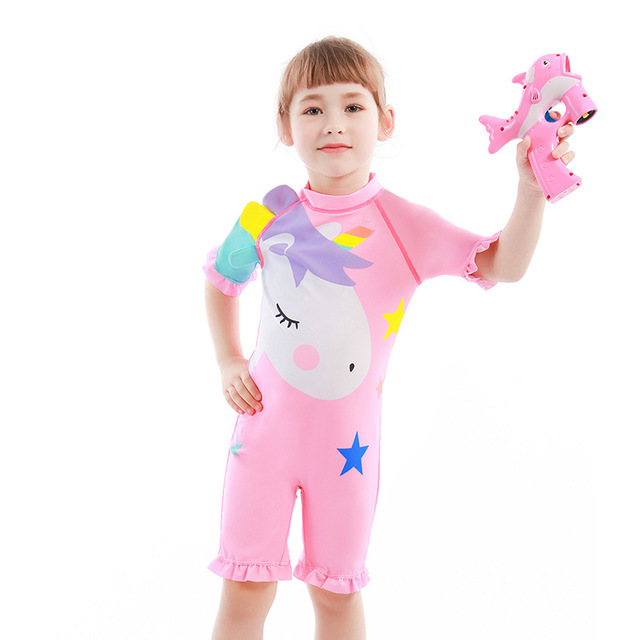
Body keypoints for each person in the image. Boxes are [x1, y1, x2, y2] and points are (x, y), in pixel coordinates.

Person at [203, 36, 575, 640]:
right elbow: (222, 280)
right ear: (285, 124)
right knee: (244, 590)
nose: (334, 123)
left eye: (353, 106)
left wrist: (531, 191)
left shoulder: (405, 223)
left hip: (347, 454)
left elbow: (503, 265)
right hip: (262, 439)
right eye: (312, 108)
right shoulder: (265, 213)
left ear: (385, 120)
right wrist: (227, 359)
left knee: (336, 595)